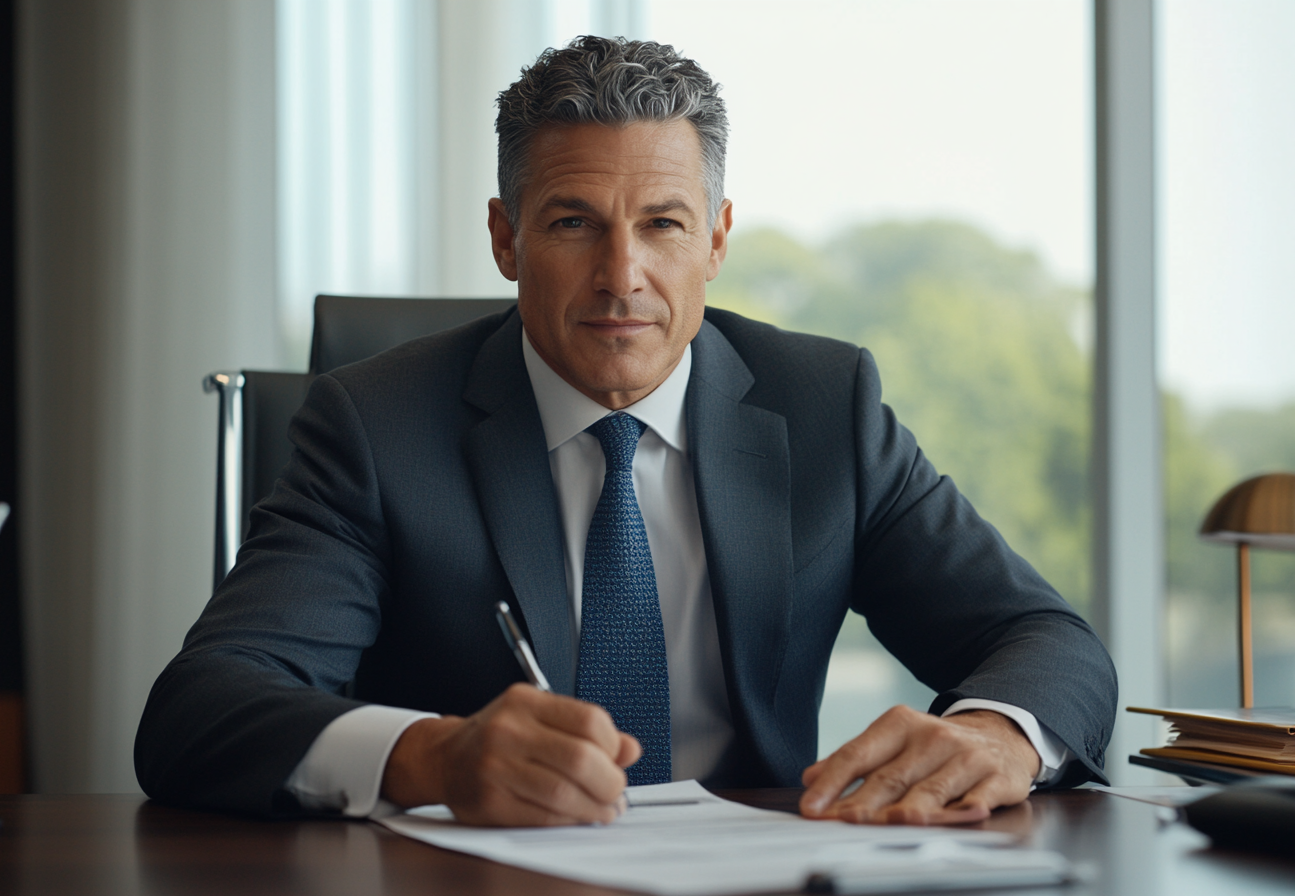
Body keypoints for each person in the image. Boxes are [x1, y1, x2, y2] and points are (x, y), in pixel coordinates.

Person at [135, 36, 1115, 827]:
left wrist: (998, 732)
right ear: (504, 237)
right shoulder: (376, 425)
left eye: (663, 223)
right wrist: (434, 753)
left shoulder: (826, 406)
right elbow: (200, 708)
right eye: (572, 223)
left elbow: (1044, 637)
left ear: (718, 238)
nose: (622, 274)